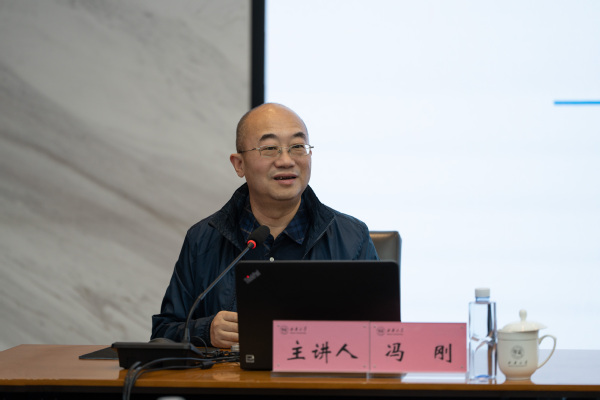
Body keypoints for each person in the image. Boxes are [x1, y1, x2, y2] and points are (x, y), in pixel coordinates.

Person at [151, 103, 378, 348]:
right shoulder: (203, 239)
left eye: (297, 147)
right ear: (239, 164)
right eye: (269, 148)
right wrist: (206, 332)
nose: (286, 160)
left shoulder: (353, 238)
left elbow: (381, 337)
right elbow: (163, 334)